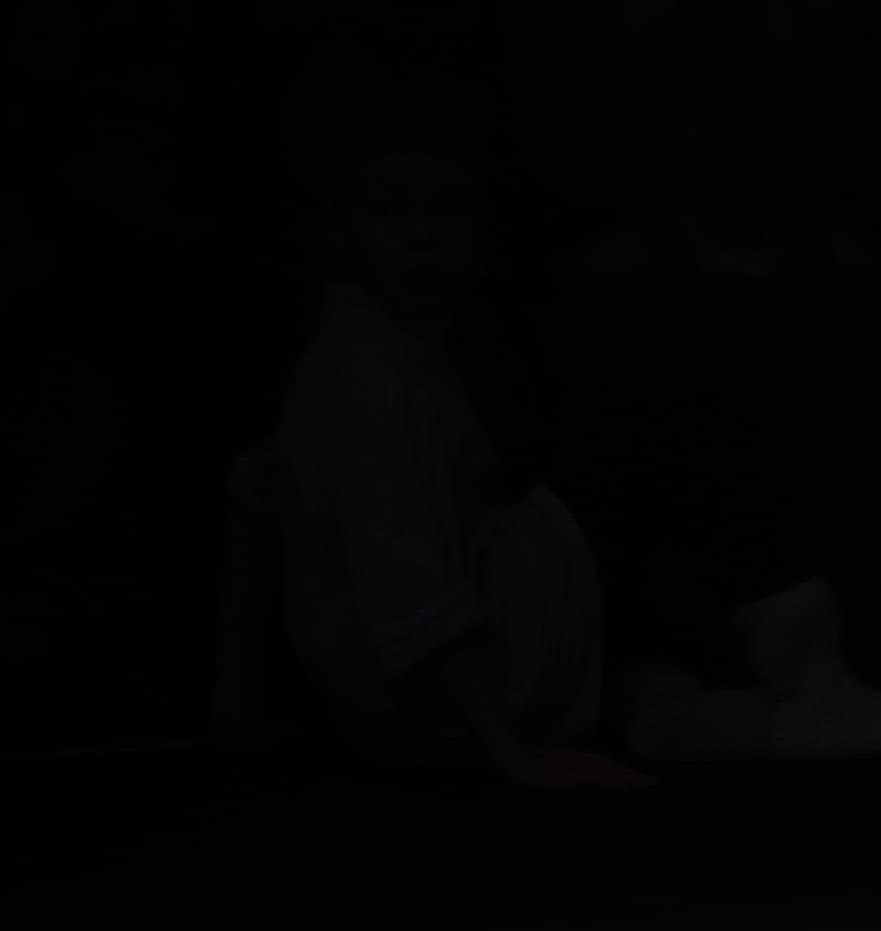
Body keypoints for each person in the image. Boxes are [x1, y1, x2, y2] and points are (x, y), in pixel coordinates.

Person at [255, 135, 639, 795]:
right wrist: (514, 754)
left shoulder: (404, 354)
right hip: (432, 706)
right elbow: (411, 585)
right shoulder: (369, 372)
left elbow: (256, 504)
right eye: (391, 211)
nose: (421, 237)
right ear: (341, 230)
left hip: (426, 702)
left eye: (447, 213)